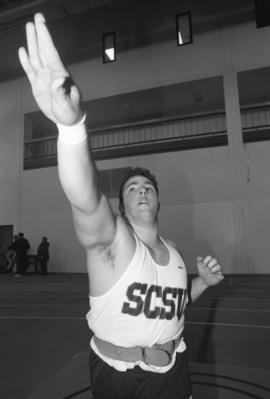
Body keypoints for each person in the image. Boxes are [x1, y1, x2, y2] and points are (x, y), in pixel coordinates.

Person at [18, 13, 224, 398]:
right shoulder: (114, 243)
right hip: (120, 377)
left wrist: (201, 284)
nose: (142, 190)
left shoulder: (176, 252)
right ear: (123, 206)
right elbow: (85, 200)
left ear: (159, 199)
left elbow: (171, 302)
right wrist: (71, 127)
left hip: (175, 371)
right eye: (132, 188)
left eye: (148, 186)